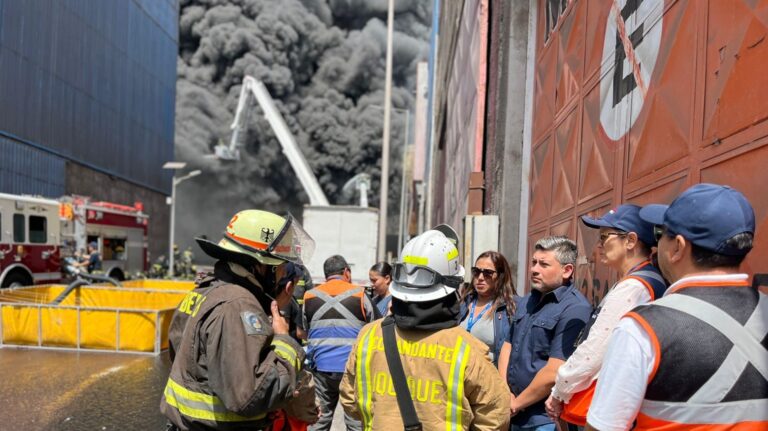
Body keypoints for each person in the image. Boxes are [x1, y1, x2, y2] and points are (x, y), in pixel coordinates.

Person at [585, 184, 767, 431]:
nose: (655, 246)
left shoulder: (642, 329)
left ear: (678, 247)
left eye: (660, 235)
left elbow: (603, 427)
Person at [340, 227, 511, 430]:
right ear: (452, 286)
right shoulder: (466, 348)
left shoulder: (368, 336)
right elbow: (497, 413)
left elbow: (350, 400)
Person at [160, 210, 318, 430]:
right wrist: (284, 341)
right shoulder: (238, 305)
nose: (283, 275)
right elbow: (249, 397)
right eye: (281, 266)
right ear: (262, 266)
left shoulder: (205, 291)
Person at [544, 205, 667, 427]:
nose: (599, 245)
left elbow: (596, 350)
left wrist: (560, 390)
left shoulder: (634, 287)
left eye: (605, 237)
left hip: (605, 409)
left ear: (630, 241)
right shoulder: (646, 280)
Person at [498, 236, 592, 431]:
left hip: (544, 420)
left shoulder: (575, 309)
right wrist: (505, 394)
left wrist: (516, 404)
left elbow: (554, 371)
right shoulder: (526, 301)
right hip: (512, 413)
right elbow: (507, 346)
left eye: (543, 264)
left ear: (567, 271)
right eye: (533, 262)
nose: (534, 269)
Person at [303, 255, 377, 431]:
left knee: (319, 419)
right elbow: (374, 329)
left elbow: (304, 330)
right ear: (346, 272)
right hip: (352, 369)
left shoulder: (309, 296)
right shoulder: (360, 294)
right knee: (355, 421)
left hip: (321, 368)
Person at [458, 250, 516, 365]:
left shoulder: (510, 308)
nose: (480, 277)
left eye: (487, 273)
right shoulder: (464, 303)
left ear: (500, 276)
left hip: (488, 378)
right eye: (476, 271)